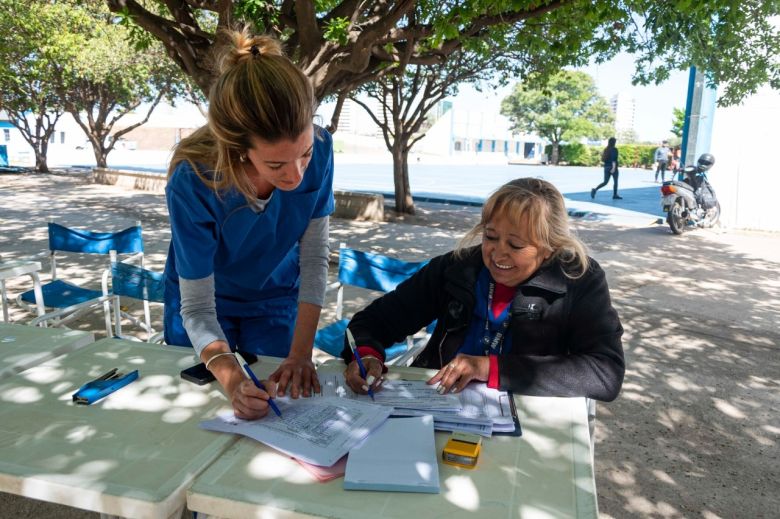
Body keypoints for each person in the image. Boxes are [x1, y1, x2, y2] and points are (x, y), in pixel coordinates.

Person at [163, 27, 334, 420]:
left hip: (274, 297)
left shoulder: (321, 151)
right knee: (196, 411)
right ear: (240, 151)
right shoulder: (193, 180)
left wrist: (301, 354)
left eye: (304, 154)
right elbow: (198, 307)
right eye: (276, 164)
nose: (296, 175)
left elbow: (314, 259)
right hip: (204, 304)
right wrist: (231, 379)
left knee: (283, 404)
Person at [342, 178, 625, 402]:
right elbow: (373, 322)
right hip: (437, 403)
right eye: (490, 237)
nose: (497, 254)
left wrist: (490, 368)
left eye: (515, 245)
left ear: (550, 247)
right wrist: (367, 355)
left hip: (526, 418)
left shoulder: (578, 279)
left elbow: (605, 372)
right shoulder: (456, 269)